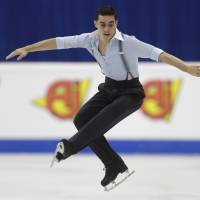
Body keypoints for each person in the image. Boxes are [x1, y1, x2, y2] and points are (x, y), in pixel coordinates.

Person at [6, 5, 200, 188]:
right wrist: (28, 48)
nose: (107, 28)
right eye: (103, 24)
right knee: (81, 119)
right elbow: (58, 43)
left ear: (117, 23)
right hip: (109, 88)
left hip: (130, 93)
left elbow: (161, 55)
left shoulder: (129, 43)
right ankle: (113, 164)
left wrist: (187, 68)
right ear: (95, 24)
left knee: (103, 118)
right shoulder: (89, 39)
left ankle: (70, 147)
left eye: (111, 24)